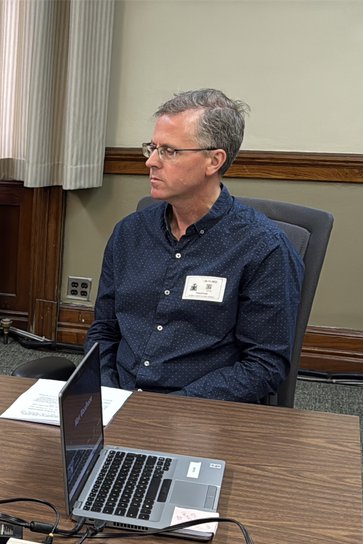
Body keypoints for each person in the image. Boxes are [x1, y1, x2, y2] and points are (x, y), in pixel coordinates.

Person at [85, 89, 304, 404]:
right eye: (152, 147)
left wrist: (168, 410)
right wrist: (107, 394)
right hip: (118, 404)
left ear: (214, 161)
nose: (151, 161)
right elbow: (104, 332)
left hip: (200, 414)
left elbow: (264, 365)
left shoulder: (263, 247)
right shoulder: (129, 234)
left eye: (170, 151)